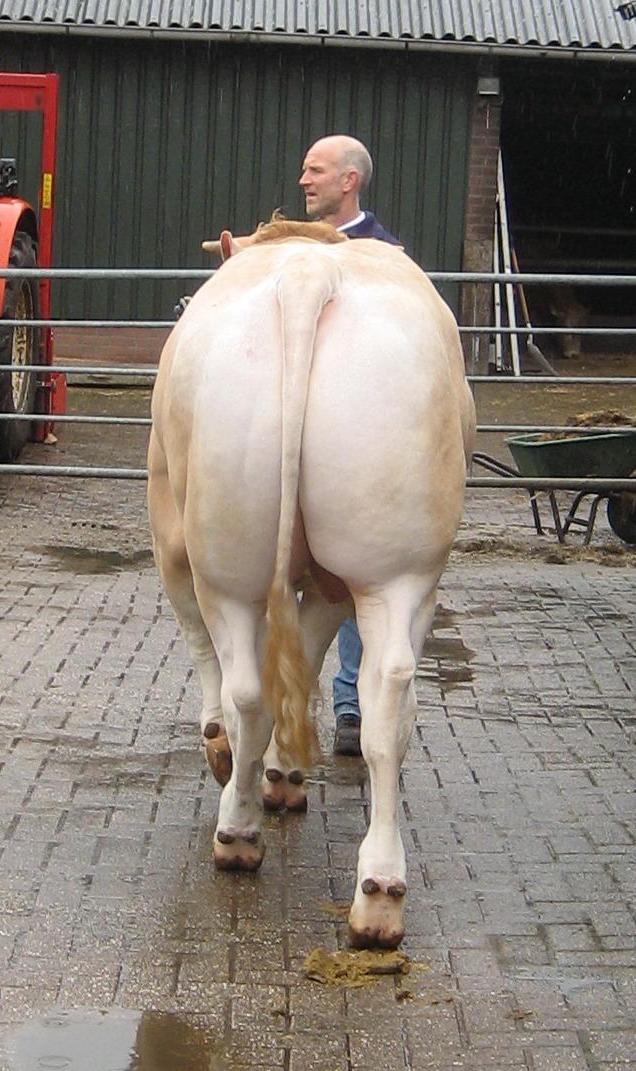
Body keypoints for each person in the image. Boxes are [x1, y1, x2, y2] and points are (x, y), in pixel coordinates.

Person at [298, 134, 403, 757]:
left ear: (349, 181)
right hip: (296, 422)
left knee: (360, 574)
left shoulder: (386, 255)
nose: (303, 181)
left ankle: (351, 706)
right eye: (304, 171)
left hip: (358, 433)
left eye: (315, 171)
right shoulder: (293, 244)